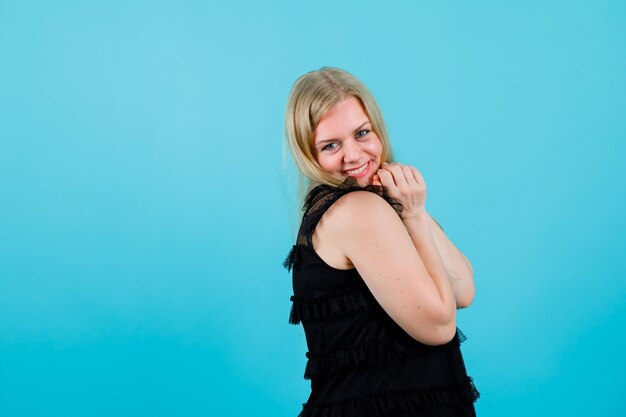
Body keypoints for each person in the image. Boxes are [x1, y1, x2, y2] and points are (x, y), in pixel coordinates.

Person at [282, 66, 480, 417]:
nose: (354, 155)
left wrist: (408, 207)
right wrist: (415, 215)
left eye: (362, 133)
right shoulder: (358, 210)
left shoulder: (372, 200)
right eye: (331, 145)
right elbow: (439, 325)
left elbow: (462, 289)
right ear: (308, 154)